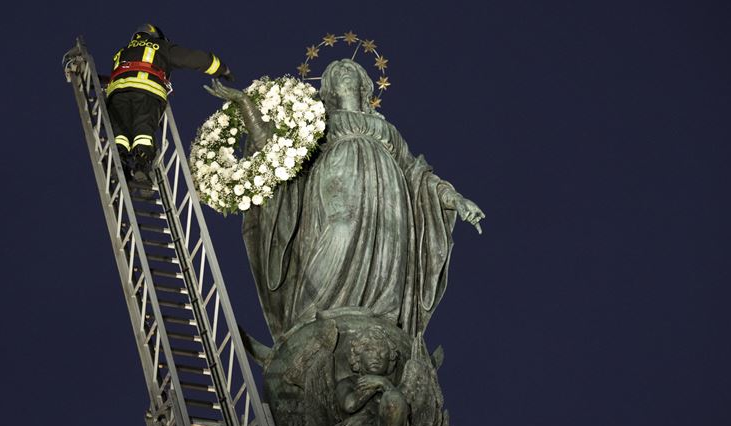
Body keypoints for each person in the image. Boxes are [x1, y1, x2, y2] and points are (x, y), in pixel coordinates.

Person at [206, 58, 485, 341]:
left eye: (350, 70)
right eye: (338, 72)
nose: (344, 72)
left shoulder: (387, 130)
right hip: (336, 181)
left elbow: (417, 174)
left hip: (389, 193)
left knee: (390, 245)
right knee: (339, 231)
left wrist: (456, 199)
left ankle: (381, 323)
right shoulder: (317, 121)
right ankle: (310, 317)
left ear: (365, 84)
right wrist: (246, 106)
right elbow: (276, 152)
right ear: (328, 88)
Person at [106, 23, 234, 182]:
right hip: (147, 91)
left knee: (121, 132)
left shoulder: (121, 52)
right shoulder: (160, 46)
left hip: (117, 94)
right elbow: (193, 58)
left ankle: (118, 161)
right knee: (143, 129)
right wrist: (222, 68)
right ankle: (142, 166)